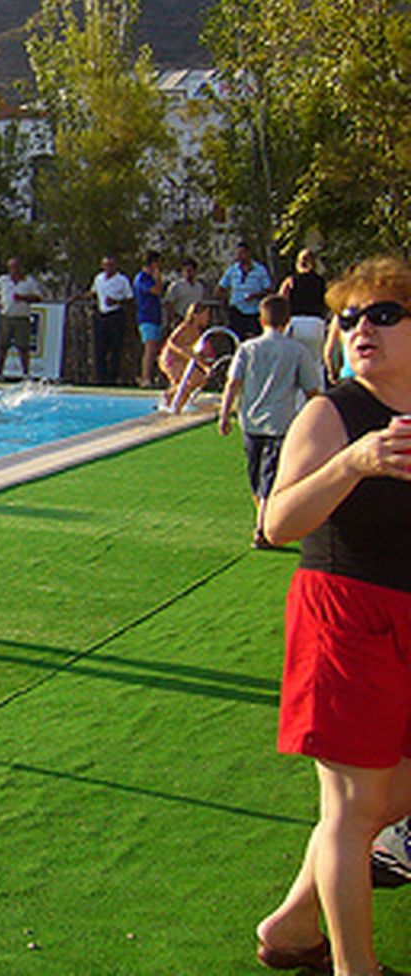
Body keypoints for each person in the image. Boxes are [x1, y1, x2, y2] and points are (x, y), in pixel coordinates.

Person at [252, 256, 411, 976]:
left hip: (405, 616)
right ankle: (356, 969)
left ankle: (290, 924)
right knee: (354, 806)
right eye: (348, 318)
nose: (360, 329)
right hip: (344, 612)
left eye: (382, 314)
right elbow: (278, 522)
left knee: (385, 800)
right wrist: (355, 462)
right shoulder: (333, 412)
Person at [219, 295, 323, 548]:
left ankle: (262, 525)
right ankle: (264, 522)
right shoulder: (297, 351)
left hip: (250, 421)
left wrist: (224, 413)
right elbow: (312, 389)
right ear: (287, 321)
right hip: (280, 421)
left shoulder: (247, 348)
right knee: (269, 476)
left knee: (258, 474)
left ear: (260, 319)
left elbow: (232, 382)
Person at [0, 256, 40, 380]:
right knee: (2, 346)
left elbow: (38, 297)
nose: (14, 270)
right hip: (6, 316)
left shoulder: (29, 281)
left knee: (23, 347)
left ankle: (25, 374)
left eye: (16, 267)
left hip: (22, 317)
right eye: (11, 267)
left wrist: (23, 298)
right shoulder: (4, 280)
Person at [159, 301, 215, 412]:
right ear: (196, 315)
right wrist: (184, 352)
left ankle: (174, 401)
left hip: (184, 359)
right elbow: (172, 342)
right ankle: (172, 402)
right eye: (206, 314)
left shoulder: (198, 332)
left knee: (199, 379)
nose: (208, 318)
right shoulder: (185, 327)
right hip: (172, 359)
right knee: (187, 382)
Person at [281, 249, 329, 370]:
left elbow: (281, 301)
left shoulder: (291, 281)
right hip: (316, 323)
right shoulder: (322, 282)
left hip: (296, 323)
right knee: (315, 361)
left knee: (293, 363)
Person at [90, 255, 133, 386]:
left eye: (111, 265)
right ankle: (100, 378)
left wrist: (116, 301)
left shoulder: (122, 280)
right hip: (102, 315)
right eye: (106, 265)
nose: (109, 268)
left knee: (115, 348)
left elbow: (130, 298)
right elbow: (93, 292)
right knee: (99, 348)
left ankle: (112, 378)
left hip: (116, 315)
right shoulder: (99, 278)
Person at [221, 241, 273, 339]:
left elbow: (268, 290)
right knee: (236, 337)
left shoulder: (260, 270)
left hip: (254, 311)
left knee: (255, 337)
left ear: (248, 253)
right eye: (238, 253)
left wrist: (256, 295)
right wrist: (227, 301)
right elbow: (221, 287)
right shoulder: (232, 270)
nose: (240, 256)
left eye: (242, 253)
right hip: (236, 309)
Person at [134, 250, 166, 388]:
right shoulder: (142, 278)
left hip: (155, 316)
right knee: (149, 348)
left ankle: (154, 377)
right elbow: (156, 290)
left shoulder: (150, 278)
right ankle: (145, 378)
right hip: (146, 317)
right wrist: (158, 277)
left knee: (156, 349)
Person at [164, 258, 207, 326]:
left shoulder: (199, 287)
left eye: (190, 270)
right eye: (186, 270)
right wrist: (173, 318)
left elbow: (200, 303)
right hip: (180, 318)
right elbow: (169, 303)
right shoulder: (176, 286)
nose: (188, 273)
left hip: (194, 320)